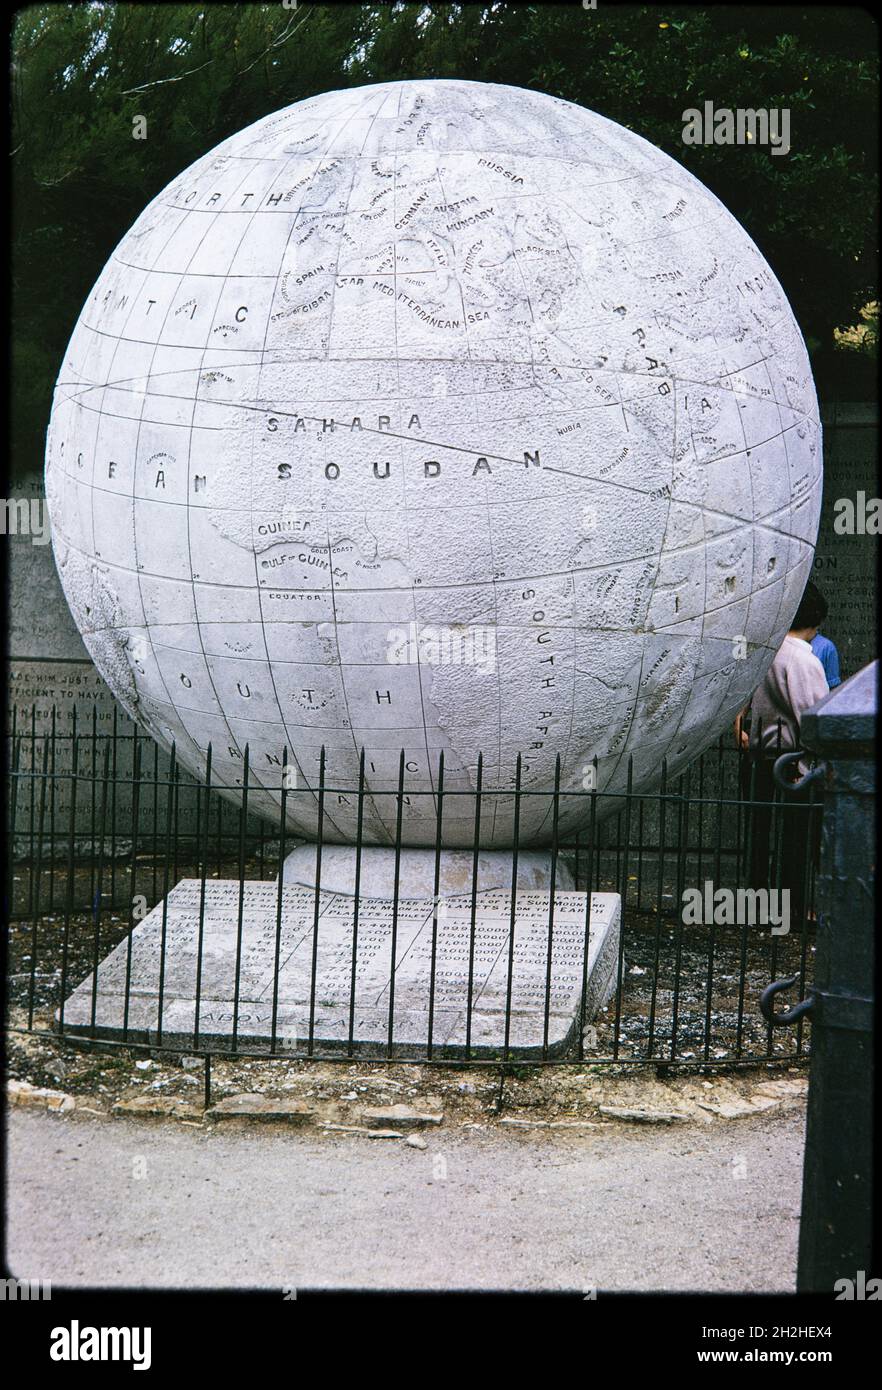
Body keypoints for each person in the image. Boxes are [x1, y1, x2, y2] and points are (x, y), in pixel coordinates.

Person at [745, 581, 829, 930]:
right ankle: (792, 909)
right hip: (795, 758)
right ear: (814, 622)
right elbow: (816, 716)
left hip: (761, 752)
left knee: (759, 834)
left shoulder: (766, 652)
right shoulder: (802, 659)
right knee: (796, 836)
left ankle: (757, 906)